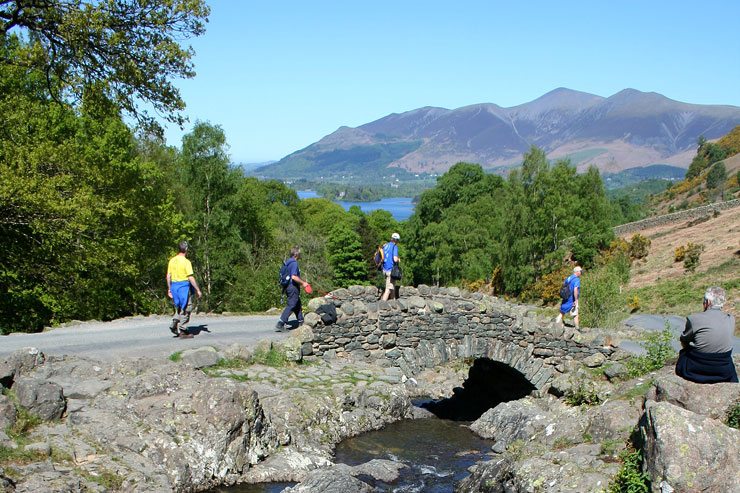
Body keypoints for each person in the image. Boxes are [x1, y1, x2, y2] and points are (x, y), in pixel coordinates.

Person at [675, 286, 738, 383]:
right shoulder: (731, 319)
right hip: (723, 371)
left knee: (684, 353)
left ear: (708, 302)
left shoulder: (694, 319)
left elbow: (684, 339)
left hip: (698, 368)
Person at [166, 240, 202, 339]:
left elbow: (168, 276)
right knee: (187, 308)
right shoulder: (186, 262)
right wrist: (198, 290)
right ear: (186, 249)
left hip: (174, 287)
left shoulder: (172, 260)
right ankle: (183, 330)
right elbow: (190, 277)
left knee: (179, 307)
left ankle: (175, 321)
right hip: (183, 288)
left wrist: (169, 289)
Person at [276, 246, 310, 332]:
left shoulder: (287, 262)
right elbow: (294, 277)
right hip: (292, 287)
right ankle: (281, 323)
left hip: (287, 286)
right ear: (296, 254)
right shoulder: (294, 263)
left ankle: (301, 321)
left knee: (297, 303)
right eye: (300, 253)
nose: (301, 255)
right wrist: (303, 283)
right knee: (292, 304)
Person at [381, 233, 401, 301]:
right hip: (390, 270)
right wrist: (398, 259)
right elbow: (395, 259)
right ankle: (382, 306)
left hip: (384, 270)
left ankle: (394, 303)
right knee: (388, 289)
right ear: (396, 240)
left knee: (392, 286)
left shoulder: (385, 245)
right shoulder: (394, 246)